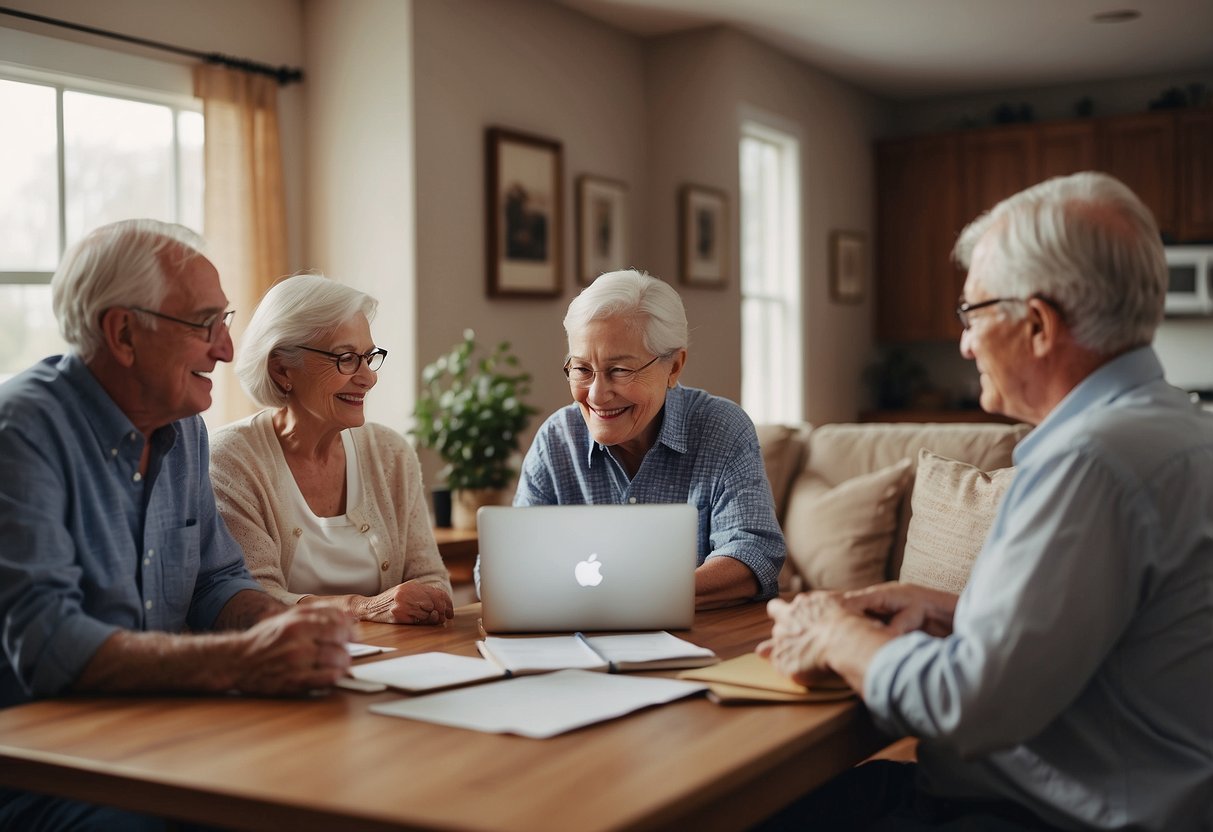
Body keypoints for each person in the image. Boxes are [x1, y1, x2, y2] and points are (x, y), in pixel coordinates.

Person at [758, 172, 1213, 831]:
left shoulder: (1090, 461)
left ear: (1035, 324)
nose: (964, 343)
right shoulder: (1176, 427)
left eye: (972, 314)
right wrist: (955, 609)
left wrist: (833, 632)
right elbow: (1106, 634)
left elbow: (964, 707)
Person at [0, 219, 353, 829]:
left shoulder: (183, 426)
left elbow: (217, 580)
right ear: (124, 333)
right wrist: (244, 661)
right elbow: (47, 645)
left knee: (332, 783)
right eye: (204, 325)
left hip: (164, 740)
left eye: (225, 322)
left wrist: (286, 628)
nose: (225, 349)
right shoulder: (22, 432)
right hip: (46, 767)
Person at [506, 268, 785, 608]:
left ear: (674, 367)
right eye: (582, 369)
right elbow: (504, 570)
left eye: (620, 370)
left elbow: (753, 554)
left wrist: (638, 594)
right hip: (575, 647)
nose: (597, 394)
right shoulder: (555, 441)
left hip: (704, 648)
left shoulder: (721, 428)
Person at [210, 274, 453, 624]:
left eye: (369, 357)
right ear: (282, 369)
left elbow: (430, 576)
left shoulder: (390, 453)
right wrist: (363, 607)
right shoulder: (231, 459)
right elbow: (253, 600)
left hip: (398, 662)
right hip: (286, 667)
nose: (368, 377)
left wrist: (429, 600)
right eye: (346, 358)